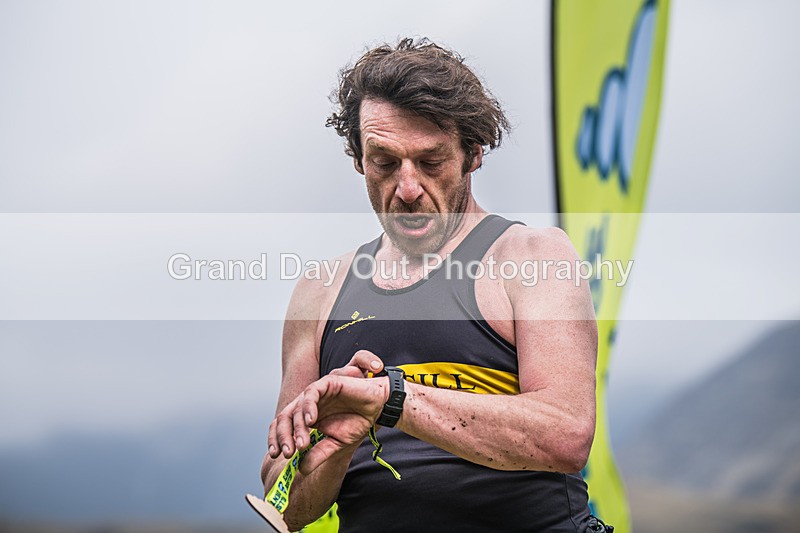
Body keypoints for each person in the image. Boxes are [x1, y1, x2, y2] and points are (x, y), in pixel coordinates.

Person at [261, 37, 598, 532]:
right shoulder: (320, 290)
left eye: (431, 161)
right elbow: (284, 507)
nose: (408, 188)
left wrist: (389, 398)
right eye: (385, 163)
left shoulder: (532, 256)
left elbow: (565, 436)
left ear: (473, 154)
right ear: (358, 159)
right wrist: (335, 448)